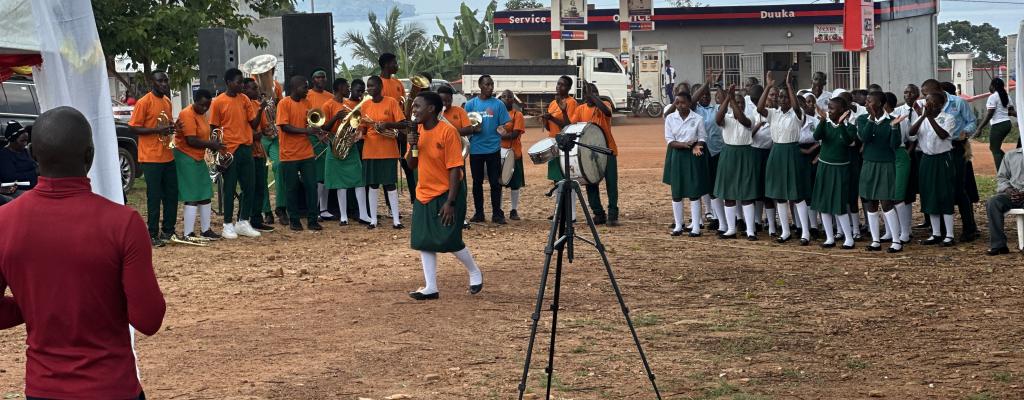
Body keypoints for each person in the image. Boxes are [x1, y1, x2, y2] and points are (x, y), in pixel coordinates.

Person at [0, 106, 166, 400]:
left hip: (43, 388)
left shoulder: (4, 221)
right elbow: (149, 319)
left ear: (34, 157)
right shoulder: (123, 223)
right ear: (90, 156)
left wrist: (36, 305)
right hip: (112, 387)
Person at [405, 91, 483, 300]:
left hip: (447, 192)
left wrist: (451, 202)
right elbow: (411, 164)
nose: (414, 111)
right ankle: (431, 287)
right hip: (424, 193)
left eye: (417, 107)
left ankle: (474, 271)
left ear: (431, 109)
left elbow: (455, 170)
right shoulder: (416, 131)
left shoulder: (448, 132)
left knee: (449, 239)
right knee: (424, 240)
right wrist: (413, 144)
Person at [210, 68, 266, 239]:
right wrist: (218, 149)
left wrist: (261, 109)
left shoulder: (244, 100)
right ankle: (227, 224)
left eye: (242, 82)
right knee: (229, 188)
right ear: (228, 83)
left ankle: (243, 221)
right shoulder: (218, 101)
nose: (242, 85)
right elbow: (214, 127)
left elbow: (253, 123)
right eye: (238, 82)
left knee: (250, 186)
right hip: (229, 151)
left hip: (245, 147)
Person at [756, 70, 811, 245]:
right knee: (779, 195)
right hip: (777, 153)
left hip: (792, 152)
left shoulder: (797, 114)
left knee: (796, 195)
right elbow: (759, 108)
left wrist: (788, 86)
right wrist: (768, 86)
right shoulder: (773, 114)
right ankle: (785, 231)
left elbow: (796, 107)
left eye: (785, 97)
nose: (782, 100)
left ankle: (805, 232)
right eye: (780, 97)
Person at [920, 79, 978, 242]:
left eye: (928, 93)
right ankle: (940, 231)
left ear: (938, 90)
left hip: (955, 148)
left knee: (958, 188)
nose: (925, 97)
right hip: (935, 151)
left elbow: (972, 121)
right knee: (937, 188)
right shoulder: (927, 106)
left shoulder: (958, 102)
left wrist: (965, 132)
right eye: (924, 95)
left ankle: (969, 228)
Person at [129, 70, 179, 247]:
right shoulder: (144, 102)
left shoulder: (166, 101)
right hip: (150, 157)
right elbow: (134, 128)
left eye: (166, 80)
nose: (164, 84)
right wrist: (157, 131)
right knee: (154, 196)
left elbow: (165, 123)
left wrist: (172, 127)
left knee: (172, 194)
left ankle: (169, 230)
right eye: (160, 81)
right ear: (153, 83)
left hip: (167, 154)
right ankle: (152, 234)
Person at [276, 75, 326, 231]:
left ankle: (312, 219)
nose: (307, 90)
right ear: (295, 87)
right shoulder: (284, 103)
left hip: (306, 153)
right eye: (305, 87)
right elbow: (285, 127)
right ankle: (294, 220)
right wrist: (307, 130)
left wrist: (318, 132)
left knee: (311, 186)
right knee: (291, 188)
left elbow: (310, 122)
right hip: (289, 154)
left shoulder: (307, 102)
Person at [857, 91, 904, 252]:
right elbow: (865, 138)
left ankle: (896, 241)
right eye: (866, 101)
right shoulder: (863, 119)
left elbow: (895, 145)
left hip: (885, 165)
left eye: (870, 101)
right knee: (870, 202)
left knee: (886, 203)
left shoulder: (892, 121)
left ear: (880, 104)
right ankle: (875, 240)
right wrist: (871, 119)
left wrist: (895, 128)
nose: (866, 104)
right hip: (869, 164)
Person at [174, 89, 223, 241]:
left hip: (198, 157)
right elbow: (191, 140)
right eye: (202, 105)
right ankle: (188, 233)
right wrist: (211, 144)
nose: (204, 108)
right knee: (192, 195)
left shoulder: (202, 114)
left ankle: (205, 230)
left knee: (205, 192)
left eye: (207, 106)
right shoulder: (187, 114)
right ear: (194, 100)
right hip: (186, 156)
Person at [713, 85, 762, 240]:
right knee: (729, 195)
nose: (739, 105)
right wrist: (728, 98)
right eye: (737, 102)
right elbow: (717, 119)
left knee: (747, 195)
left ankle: (750, 230)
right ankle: (731, 229)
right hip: (729, 154)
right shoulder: (726, 118)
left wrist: (733, 99)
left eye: (742, 103)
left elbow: (742, 120)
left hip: (745, 154)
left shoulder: (750, 118)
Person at [910, 92, 957, 246]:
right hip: (926, 159)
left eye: (931, 101)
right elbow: (911, 133)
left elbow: (943, 135)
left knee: (944, 194)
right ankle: (935, 233)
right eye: (927, 101)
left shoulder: (948, 118)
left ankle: (949, 234)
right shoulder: (922, 117)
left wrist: (929, 118)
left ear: (940, 104)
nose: (927, 103)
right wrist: (923, 117)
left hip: (942, 159)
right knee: (929, 194)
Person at [322, 77, 370, 225]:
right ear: (339, 88)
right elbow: (324, 127)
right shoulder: (328, 105)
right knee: (339, 182)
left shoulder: (349, 104)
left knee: (359, 180)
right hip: (335, 145)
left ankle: (363, 214)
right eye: (346, 87)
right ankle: (343, 216)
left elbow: (357, 123)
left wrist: (357, 133)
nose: (348, 89)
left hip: (350, 145)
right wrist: (336, 117)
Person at [361, 75, 408, 229]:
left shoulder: (391, 102)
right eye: (368, 86)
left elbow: (403, 124)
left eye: (372, 86)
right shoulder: (365, 105)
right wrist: (358, 133)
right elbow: (362, 128)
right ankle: (373, 219)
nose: (369, 89)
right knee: (373, 185)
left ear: (380, 87)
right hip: (370, 150)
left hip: (388, 150)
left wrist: (387, 124)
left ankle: (396, 219)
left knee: (390, 184)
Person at [464, 75, 511, 224]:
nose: (490, 87)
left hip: (493, 149)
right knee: (477, 183)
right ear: (480, 86)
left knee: (495, 183)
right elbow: (466, 126)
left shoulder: (498, 104)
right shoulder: (470, 105)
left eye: (492, 84)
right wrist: (473, 129)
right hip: (476, 150)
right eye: (487, 84)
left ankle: (497, 213)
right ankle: (479, 213)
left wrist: (503, 129)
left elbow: (505, 124)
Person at [570, 82, 619, 226]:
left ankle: (613, 214)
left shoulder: (604, 104)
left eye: (595, 92)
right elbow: (572, 126)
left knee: (611, 183)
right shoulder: (580, 109)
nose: (593, 95)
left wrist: (594, 96)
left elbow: (608, 112)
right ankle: (598, 213)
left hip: (608, 150)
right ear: (585, 96)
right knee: (590, 182)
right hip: (589, 153)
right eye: (589, 93)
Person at [812, 97, 857, 249]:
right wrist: (823, 121)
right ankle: (829, 237)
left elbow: (847, 141)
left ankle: (849, 238)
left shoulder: (850, 127)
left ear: (843, 112)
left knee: (839, 204)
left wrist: (841, 125)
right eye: (828, 107)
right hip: (824, 167)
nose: (829, 111)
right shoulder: (826, 124)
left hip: (840, 169)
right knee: (823, 204)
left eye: (832, 108)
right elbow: (816, 136)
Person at [664, 92, 709, 236]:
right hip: (677, 155)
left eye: (683, 102)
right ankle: (678, 225)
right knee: (676, 192)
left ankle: (696, 226)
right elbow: (670, 140)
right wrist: (684, 145)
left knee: (694, 192)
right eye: (677, 103)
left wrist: (698, 146)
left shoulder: (697, 119)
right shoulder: (670, 118)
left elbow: (702, 137)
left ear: (689, 103)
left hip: (693, 155)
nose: (679, 106)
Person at [378, 53, 417, 203]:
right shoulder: (378, 83)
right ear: (387, 64)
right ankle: (390, 204)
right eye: (394, 63)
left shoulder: (398, 83)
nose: (397, 65)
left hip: (402, 129)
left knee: (408, 166)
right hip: (387, 133)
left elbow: (404, 105)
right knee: (389, 170)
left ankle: (415, 199)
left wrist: (404, 127)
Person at [242, 78, 277, 233]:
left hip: (259, 151)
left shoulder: (257, 105)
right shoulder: (243, 105)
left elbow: (262, 129)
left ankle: (256, 219)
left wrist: (269, 130)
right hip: (246, 150)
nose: (257, 91)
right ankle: (242, 219)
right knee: (248, 187)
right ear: (245, 90)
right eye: (253, 88)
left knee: (260, 186)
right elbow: (248, 128)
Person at [305, 69, 336, 221]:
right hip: (314, 138)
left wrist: (327, 134)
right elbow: (306, 117)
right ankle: (314, 208)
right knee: (316, 176)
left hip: (327, 137)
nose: (322, 79)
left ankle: (324, 209)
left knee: (326, 175)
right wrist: (317, 134)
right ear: (313, 80)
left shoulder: (330, 96)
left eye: (324, 77)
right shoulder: (307, 95)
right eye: (318, 77)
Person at [985, 147, 1024, 255]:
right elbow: (1002, 177)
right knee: (993, 202)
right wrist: (1009, 190)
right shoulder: (1011, 155)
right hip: (1012, 194)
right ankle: (998, 245)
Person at [894, 84, 922, 239]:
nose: (908, 95)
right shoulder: (899, 111)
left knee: (913, 190)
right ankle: (905, 227)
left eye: (911, 92)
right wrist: (906, 154)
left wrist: (909, 153)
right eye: (905, 92)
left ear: (917, 94)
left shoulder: (922, 110)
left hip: (918, 153)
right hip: (905, 154)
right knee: (904, 191)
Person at [499, 89, 527, 220]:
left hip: (514, 154)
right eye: (504, 97)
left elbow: (516, 134)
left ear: (513, 99)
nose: (506, 99)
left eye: (509, 97)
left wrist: (500, 135)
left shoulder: (517, 115)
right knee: (498, 183)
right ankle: (498, 209)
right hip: (498, 153)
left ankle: (513, 210)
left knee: (515, 184)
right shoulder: (497, 114)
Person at [979, 77, 1017, 169]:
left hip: (998, 125)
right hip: (1007, 124)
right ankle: (1009, 164)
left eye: (990, 85)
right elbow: (1011, 112)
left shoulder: (992, 97)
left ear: (993, 86)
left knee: (994, 149)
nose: (990, 87)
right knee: (995, 148)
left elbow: (989, 114)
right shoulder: (1006, 96)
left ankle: (1002, 174)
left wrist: (979, 128)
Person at [0, 122, 37, 205]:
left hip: (33, 188)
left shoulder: (24, 152)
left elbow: (34, 166)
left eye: (26, 141)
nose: (25, 144)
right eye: (22, 141)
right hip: (18, 190)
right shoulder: (4, 155)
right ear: (12, 140)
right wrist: (33, 173)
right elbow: (10, 177)